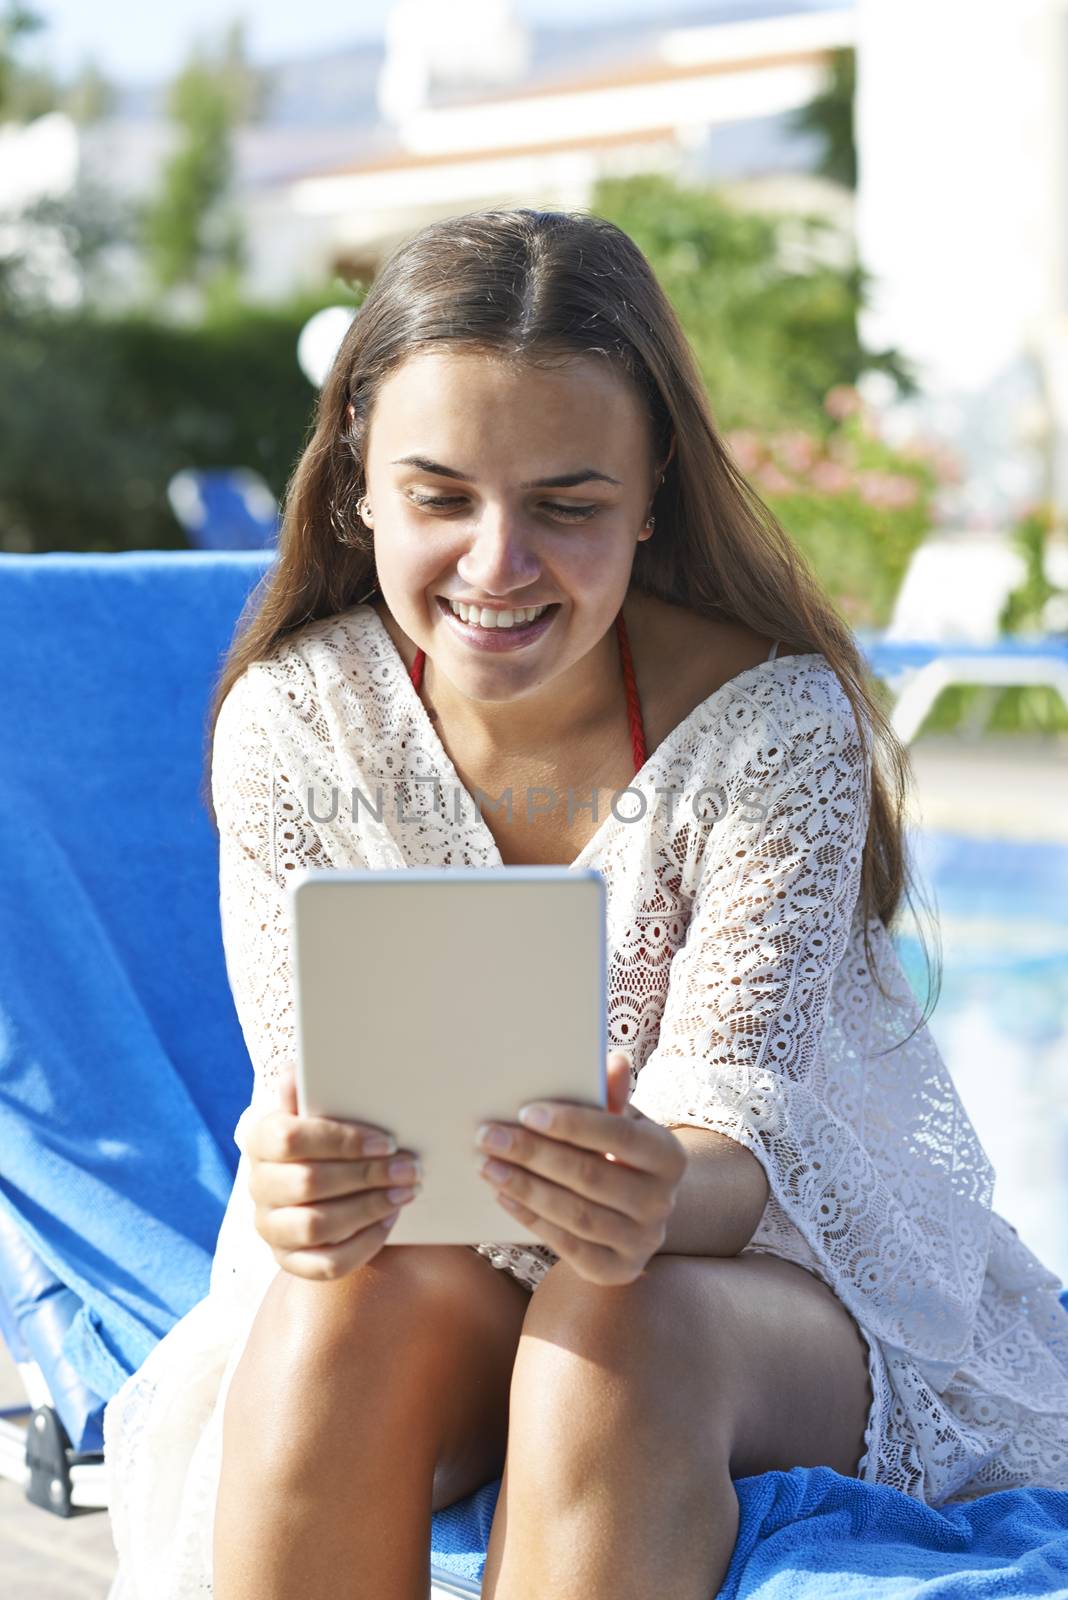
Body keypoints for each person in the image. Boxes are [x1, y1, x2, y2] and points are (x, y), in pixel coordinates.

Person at [102, 207, 1068, 1600]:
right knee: (335, 1322)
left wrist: (656, 1187)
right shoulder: (298, 723)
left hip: (754, 1275)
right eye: (441, 497)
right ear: (361, 474)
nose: (499, 565)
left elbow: (740, 1148)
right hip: (431, 1273)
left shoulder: (771, 726)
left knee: (615, 1333)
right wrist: (295, 1176)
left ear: (654, 487)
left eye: (567, 506)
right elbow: (317, 1103)